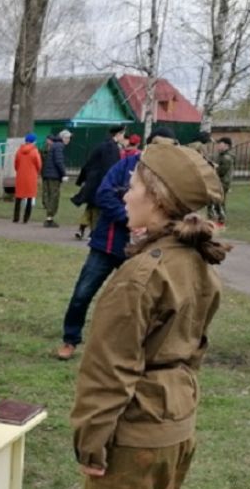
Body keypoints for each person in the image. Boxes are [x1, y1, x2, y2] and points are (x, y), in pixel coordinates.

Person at [58, 143, 228, 489]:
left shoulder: (142, 274)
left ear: (157, 201)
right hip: (175, 421)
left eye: (134, 185)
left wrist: (91, 443)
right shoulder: (196, 262)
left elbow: (109, 373)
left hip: (136, 433)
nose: (125, 193)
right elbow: (194, 347)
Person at [57, 128, 178, 361]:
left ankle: (135, 347)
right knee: (83, 293)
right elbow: (104, 194)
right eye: (157, 146)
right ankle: (70, 339)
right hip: (107, 244)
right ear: (148, 145)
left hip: (142, 250)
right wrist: (130, 219)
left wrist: (150, 225)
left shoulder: (171, 178)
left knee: (138, 300)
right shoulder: (126, 166)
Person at [73, 125, 125, 240]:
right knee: (98, 209)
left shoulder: (102, 145)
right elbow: (110, 168)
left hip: (93, 183)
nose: (123, 137)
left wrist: (82, 180)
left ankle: (82, 229)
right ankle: (94, 233)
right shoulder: (111, 148)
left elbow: (88, 164)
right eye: (122, 134)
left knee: (91, 207)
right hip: (100, 184)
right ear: (118, 134)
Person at [41, 129, 71, 228]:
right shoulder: (59, 146)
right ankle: (49, 218)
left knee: (49, 195)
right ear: (63, 138)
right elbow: (59, 161)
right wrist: (64, 174)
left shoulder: (54, 145)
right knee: (54, 196)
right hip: (54, 176)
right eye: (67, 138)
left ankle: (49, 217)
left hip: (47, 174)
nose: (68, 140)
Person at [13, 133, 42, 223]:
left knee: (18, 197)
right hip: (31, 176)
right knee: (30, 197)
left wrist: (19, 170)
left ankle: (16, 217)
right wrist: (36, 172)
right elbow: (39, 164)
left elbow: (16, 164)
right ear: (34, 141)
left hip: (20, 176)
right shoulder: (35, 151)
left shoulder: (19, 151)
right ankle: (26, 218)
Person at [213, 137, 234, 226]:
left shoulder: (226, 158)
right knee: (216, 201)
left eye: (220, 144)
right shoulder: (220, 156)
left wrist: (213, 168)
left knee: (220, 202)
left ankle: (221, 221)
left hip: (223, 182)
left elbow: (221, 171)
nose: (218, 146)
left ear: (226, 146)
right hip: (219, 181)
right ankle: (218, 219)